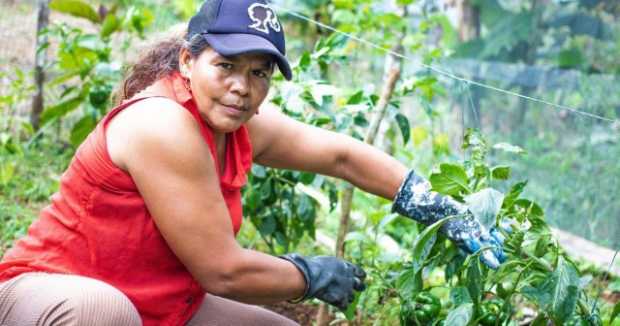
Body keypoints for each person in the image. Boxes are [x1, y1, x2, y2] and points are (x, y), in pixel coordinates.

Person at [0, 0, 506, 325]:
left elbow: (341, 154)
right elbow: (222, 271)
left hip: (154, 304)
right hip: (49, 299)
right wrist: (308, 274)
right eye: (226, 66)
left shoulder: (241, 123)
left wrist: (436, 206)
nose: (243, 86)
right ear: (186, 62)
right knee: (102, 314)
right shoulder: (161, 124)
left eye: (260, 73)